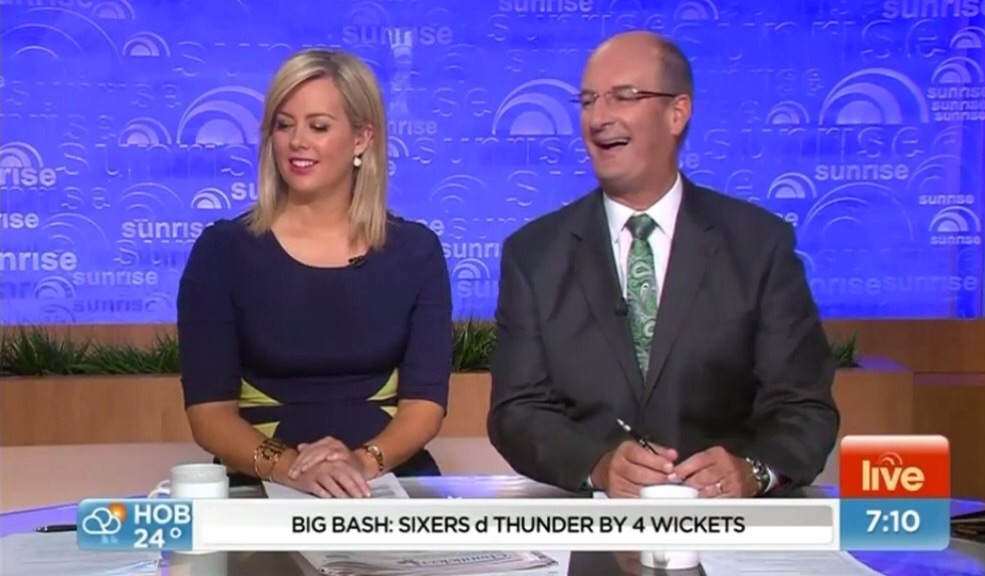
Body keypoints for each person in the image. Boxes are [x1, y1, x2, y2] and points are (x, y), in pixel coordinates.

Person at [487, 32, 839, 499]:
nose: (599, 118)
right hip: (592, 523)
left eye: (624, 96)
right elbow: (517, 411)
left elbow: (804, 407)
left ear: (678, 112)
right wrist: (597, 466)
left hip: (730, 522)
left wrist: (753, 471)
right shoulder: (535, 254)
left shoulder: (758, 245)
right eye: (588, 101)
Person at [177, 49, 452, 498]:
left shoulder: (415, 252)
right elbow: (210, 415)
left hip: (385, 479)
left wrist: (360, 464)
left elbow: (425, 406)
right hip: (262, 482)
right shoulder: (223, 252)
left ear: (362, 138)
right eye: (284, 125)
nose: (296, 142)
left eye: (318, 126)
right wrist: (291, 469)